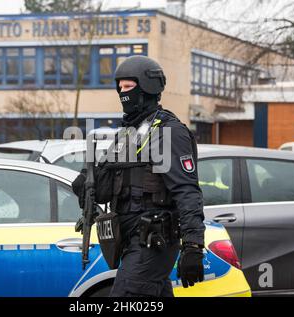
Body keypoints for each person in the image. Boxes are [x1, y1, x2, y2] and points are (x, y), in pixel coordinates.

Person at [72, 55, 205, 297]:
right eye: (120, 87)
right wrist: (86, 180)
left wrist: (193, 245)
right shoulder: (129, 134)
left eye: (128, 87)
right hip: (131, 239)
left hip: (153, 240)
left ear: (148, 88)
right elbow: (106, 185)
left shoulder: (168, 132)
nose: (122, 93)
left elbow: (187, 192)